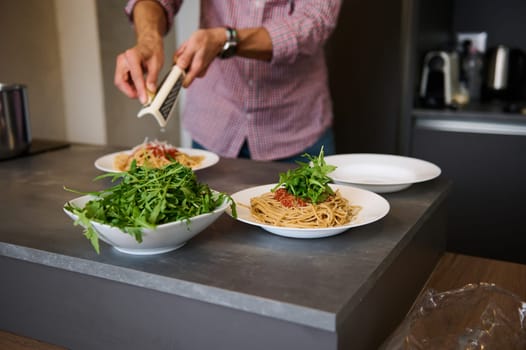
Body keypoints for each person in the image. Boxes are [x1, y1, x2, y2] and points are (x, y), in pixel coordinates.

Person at [115, 0, 341, 162]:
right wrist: (148, 39)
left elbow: (315, 21)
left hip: (295, 128)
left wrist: (227, 39)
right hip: (215, 126)